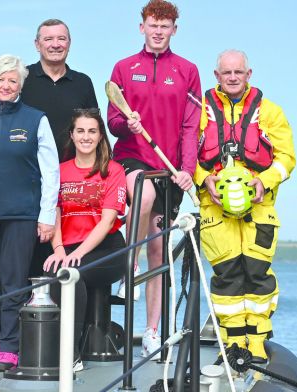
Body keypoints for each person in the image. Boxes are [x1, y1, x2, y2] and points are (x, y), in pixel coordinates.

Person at [107, 0, 201, 359]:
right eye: (152, 24)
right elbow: (113, 120)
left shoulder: (187, 70)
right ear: (141, 27)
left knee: (159, 252)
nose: (158, 31)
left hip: (170, 168)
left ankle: (150, 331)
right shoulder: (124, 68)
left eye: (165, 26)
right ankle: (128, 264)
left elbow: (191, 126)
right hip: (132, 158)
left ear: (173, 30)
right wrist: (124, 123)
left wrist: (187, 169)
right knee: (141, 198)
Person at [195, 50, 295, 363]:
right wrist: (203, 180)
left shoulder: (270, 112)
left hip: (259, 208)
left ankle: (258, 341)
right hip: (215, 211)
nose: (233, 77)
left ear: (248, 74)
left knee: (257, 273)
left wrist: (264, 181)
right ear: (217, 76)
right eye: (227, 73)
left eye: (239, 72)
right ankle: (233, 343)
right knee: (226, 276)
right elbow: (185, 155)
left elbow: (287, 158)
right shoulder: (198, 111)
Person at [0, 54, 59, 371]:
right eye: (1, 79)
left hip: (22, 214)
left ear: (20, 85)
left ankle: (9, 344)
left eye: (13, 80)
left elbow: (52, 173)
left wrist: (47, 214)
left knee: (13, 279)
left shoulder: (36, 119)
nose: (6, 85)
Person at [44, 108, 127, 371]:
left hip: (107, 251)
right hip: (67, 248)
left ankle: (70, 356)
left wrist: (75, 253)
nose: (86, 136)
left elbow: (106, 221)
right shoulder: (59, 171)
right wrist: (58, 249)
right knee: (57, 273)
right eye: (80, 131)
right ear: (72, 135)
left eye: (92, 131)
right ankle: (57, 350)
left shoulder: (113, 171)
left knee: (71, 273)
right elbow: (53, 213)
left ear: (101, 136)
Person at [21, 18, 99, 279]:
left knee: (73, 261)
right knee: (31, 256)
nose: (55, 45)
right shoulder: (23, 79)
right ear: (37, 44)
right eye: (48, 39)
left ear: (69, 43)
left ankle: (79, 319)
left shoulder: (83, 83)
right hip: (31, 181)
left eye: (61, 39)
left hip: (72, 182)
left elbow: (94, 129)